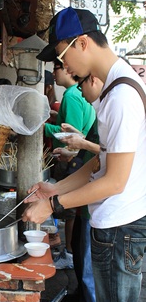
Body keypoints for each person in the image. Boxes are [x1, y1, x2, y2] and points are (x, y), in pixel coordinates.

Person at [23, 6, 146, 302]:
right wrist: (55, 188)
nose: (64, 69)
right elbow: (96, 167)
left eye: (61, 58)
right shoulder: (113, 90)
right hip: (114, 223)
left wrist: (53, 208)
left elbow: (113, 181)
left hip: (123, 225)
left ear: (82, 44)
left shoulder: (123, 96)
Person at [54, 76, 104, 302]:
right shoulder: (101, 107)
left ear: (94, 80)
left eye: (83, 84)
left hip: (101, 207)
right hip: (92, 204)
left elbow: (109, 156)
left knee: (91, 268)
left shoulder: (116, 103)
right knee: (86, 265)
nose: (80, 94)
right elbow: (96, 152)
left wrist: (81, 145)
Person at [44, 59, 96, 270]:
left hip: (77, 161)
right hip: (80, 159)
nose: (54, 73)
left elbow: (70, 133)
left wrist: (43, 127)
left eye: (56, 68)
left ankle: (71, 255)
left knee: (73, 212)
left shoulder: (73, 95)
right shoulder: (78, 95)